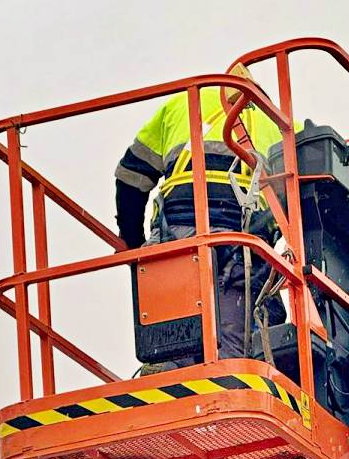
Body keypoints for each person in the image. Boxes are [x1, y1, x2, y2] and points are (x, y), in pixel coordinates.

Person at [114, 64, 289, 366]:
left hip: (173, 244)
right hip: (243, 253)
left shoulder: (178, 106)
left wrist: (133, 245)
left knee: (171, 344)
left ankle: (165, 383)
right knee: (237, 357)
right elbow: (316, 200)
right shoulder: (280, 125)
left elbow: (130, 178)